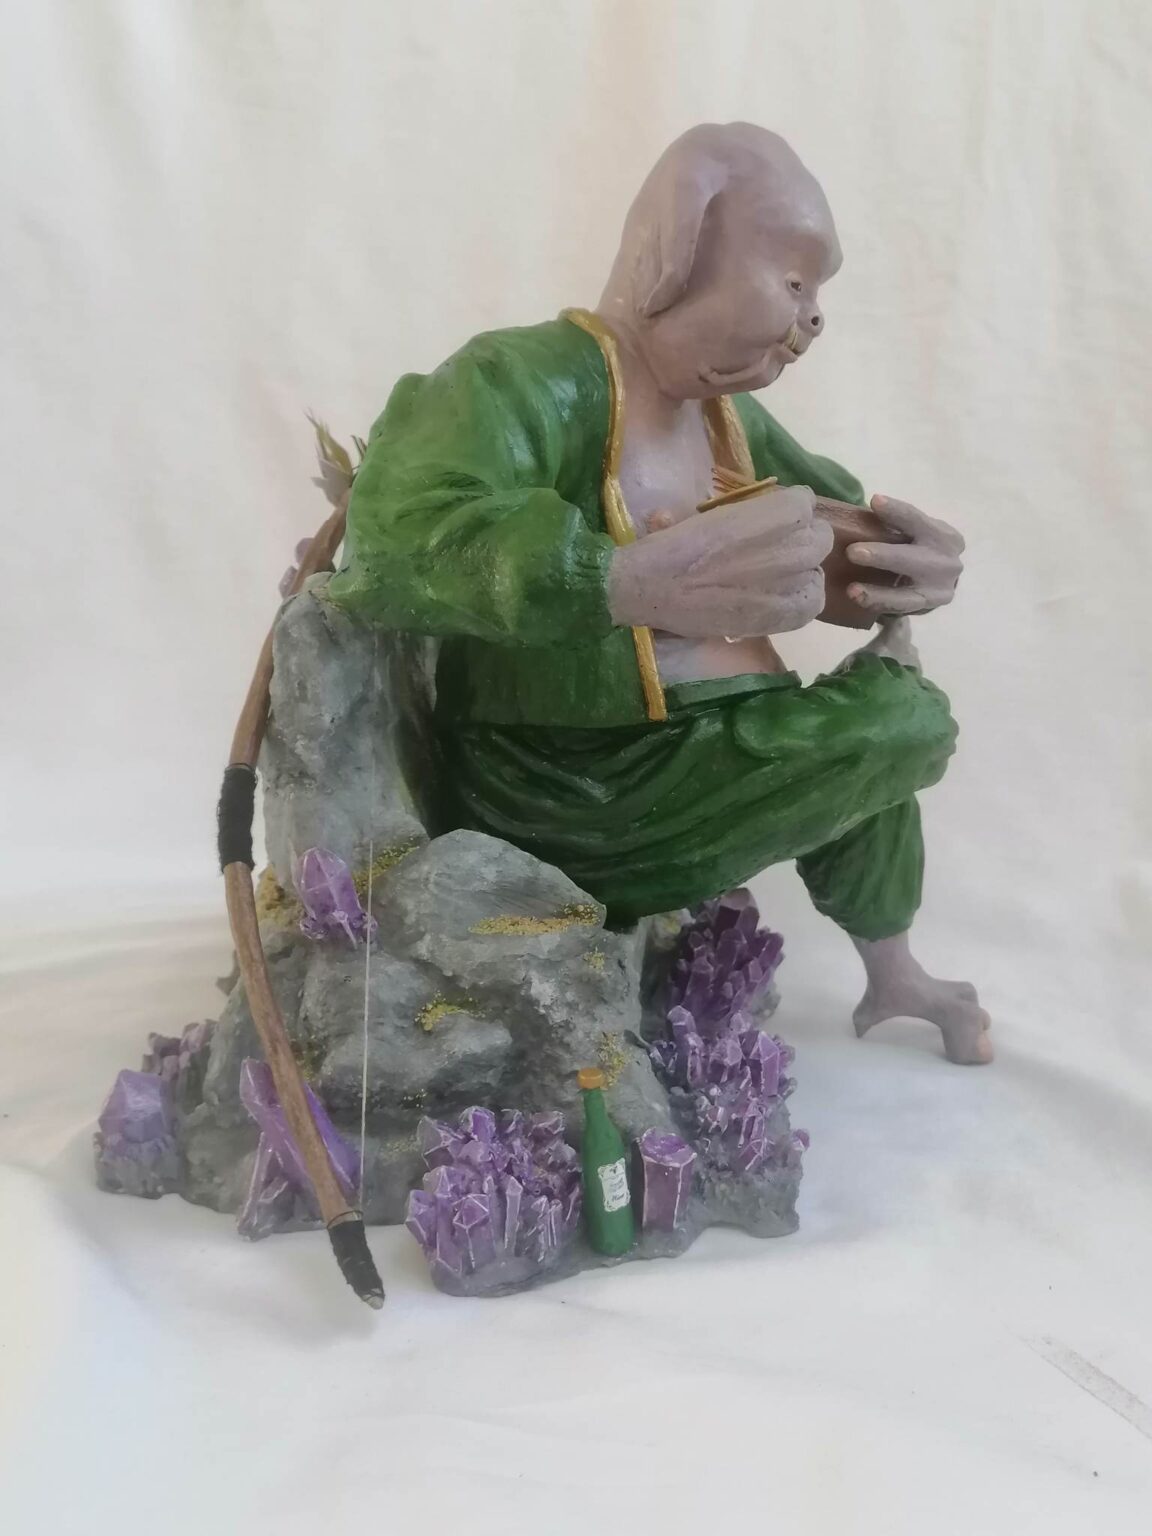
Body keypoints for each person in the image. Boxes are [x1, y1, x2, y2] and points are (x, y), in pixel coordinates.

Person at [328, 123, 991, 1066]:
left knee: (868, 732)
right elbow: (398, 534)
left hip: (714, 745)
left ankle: (894, 967)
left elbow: (830, 533)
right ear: (673, 254)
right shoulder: (518, 380)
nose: (812, 320)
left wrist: (904, 567)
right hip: (567, 785)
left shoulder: (726, 416)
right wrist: (617, 580)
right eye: (794, 280)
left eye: (819, 296)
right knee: (891, 723)